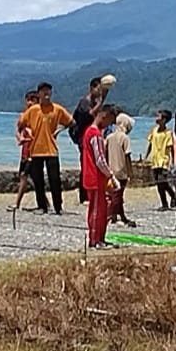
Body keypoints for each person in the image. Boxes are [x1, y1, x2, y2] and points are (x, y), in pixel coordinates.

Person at [19, 82, 73, 215]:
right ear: (39, 94)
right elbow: (21, 123)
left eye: (48, 91)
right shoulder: (33, 110)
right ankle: (42, 206)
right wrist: (26, 132)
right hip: (36, 149)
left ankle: (58, 207)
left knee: (55, 179)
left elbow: (71, 122)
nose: (46, 94)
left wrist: (59, 129)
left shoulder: (57, 109)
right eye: (43, 92)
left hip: (51, 150)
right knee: (38, 181)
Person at [82, 105, 119, 250]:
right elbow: (100, 159)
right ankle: (95, 240)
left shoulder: (88, 132)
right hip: (95, 178)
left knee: (100, 209)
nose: (109, 125)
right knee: (97, 211)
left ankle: (99, 239)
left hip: (93, 178)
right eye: (110, 121)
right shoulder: (95, 134)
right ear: (104, 116)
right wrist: (111, 175)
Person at [70, 77, 109, 204]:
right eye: (98, 89)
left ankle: (89, 193)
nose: (99, 92)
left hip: (90, 137)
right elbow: (90, 114)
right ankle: (84, 195)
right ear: (92, 88)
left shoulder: (92, 102)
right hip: (83, 138)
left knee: (91, 164)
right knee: (86, 165)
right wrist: (100, 102)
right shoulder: (84, 103)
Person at [106, 113, 136, 228]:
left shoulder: (109, 137)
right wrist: (130, 172)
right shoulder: (125, 138)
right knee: (118, 196)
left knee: (115, 195)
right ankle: (112, 216)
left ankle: (121, 216)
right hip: (121, 171)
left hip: (110, 171)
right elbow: (127, 156)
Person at [11, 91, 40, 211]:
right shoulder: (23, 116)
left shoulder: (39, 117)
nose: (30, 102)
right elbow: (17, 130)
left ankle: (17, 203)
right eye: (28, 100)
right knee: (33, 178)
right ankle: (45, 202)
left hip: (35, 151)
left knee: (24, 176)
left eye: (33, 100)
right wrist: (20, 138)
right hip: (25, 150)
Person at [146, 109, 176, 211]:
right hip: (155, 160)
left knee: (162, 182)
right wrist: (146, 156)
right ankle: (171, 197)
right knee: (159, 183)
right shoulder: (154, 130)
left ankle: (166, 202)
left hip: (163, 160)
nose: (156, 118)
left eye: (158, 117)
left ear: (164, 120)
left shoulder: (168, 133)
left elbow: (171, 147)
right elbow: (150, 144)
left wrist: (172, 161)